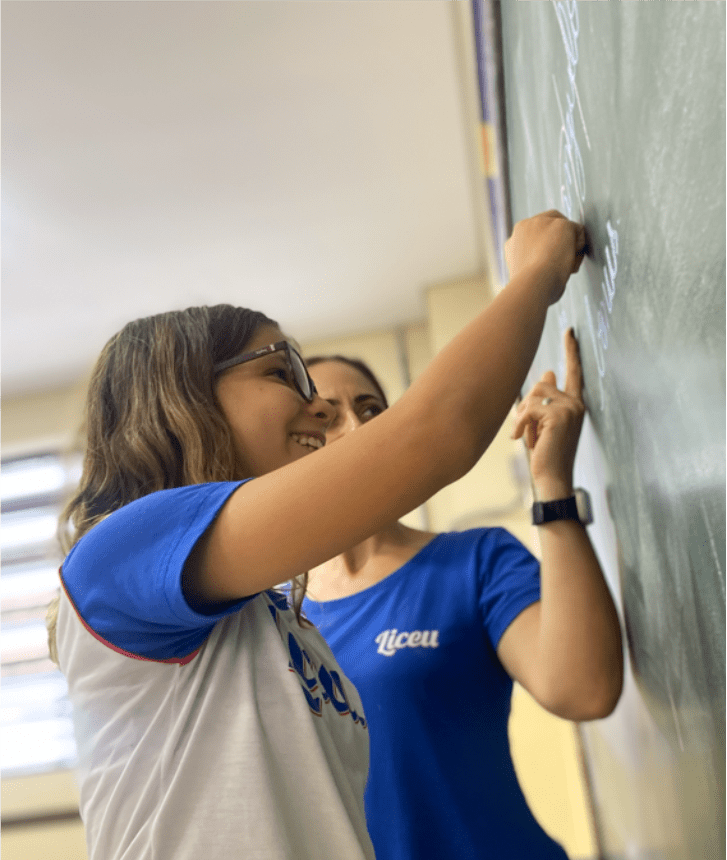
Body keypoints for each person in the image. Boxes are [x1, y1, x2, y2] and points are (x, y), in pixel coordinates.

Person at [47, 211, 587, 860]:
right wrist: (534, 275)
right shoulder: (126, 549)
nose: (315, 406)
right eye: (283, 373)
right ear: (182, 395)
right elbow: (433, 436)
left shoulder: (276, 622)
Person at [302, 334, 623, 860]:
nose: (358, 429)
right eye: (326, 416)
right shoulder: (271, 623)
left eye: (371, 409)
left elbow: (584, 690)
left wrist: (552, 486)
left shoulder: (474, 561)